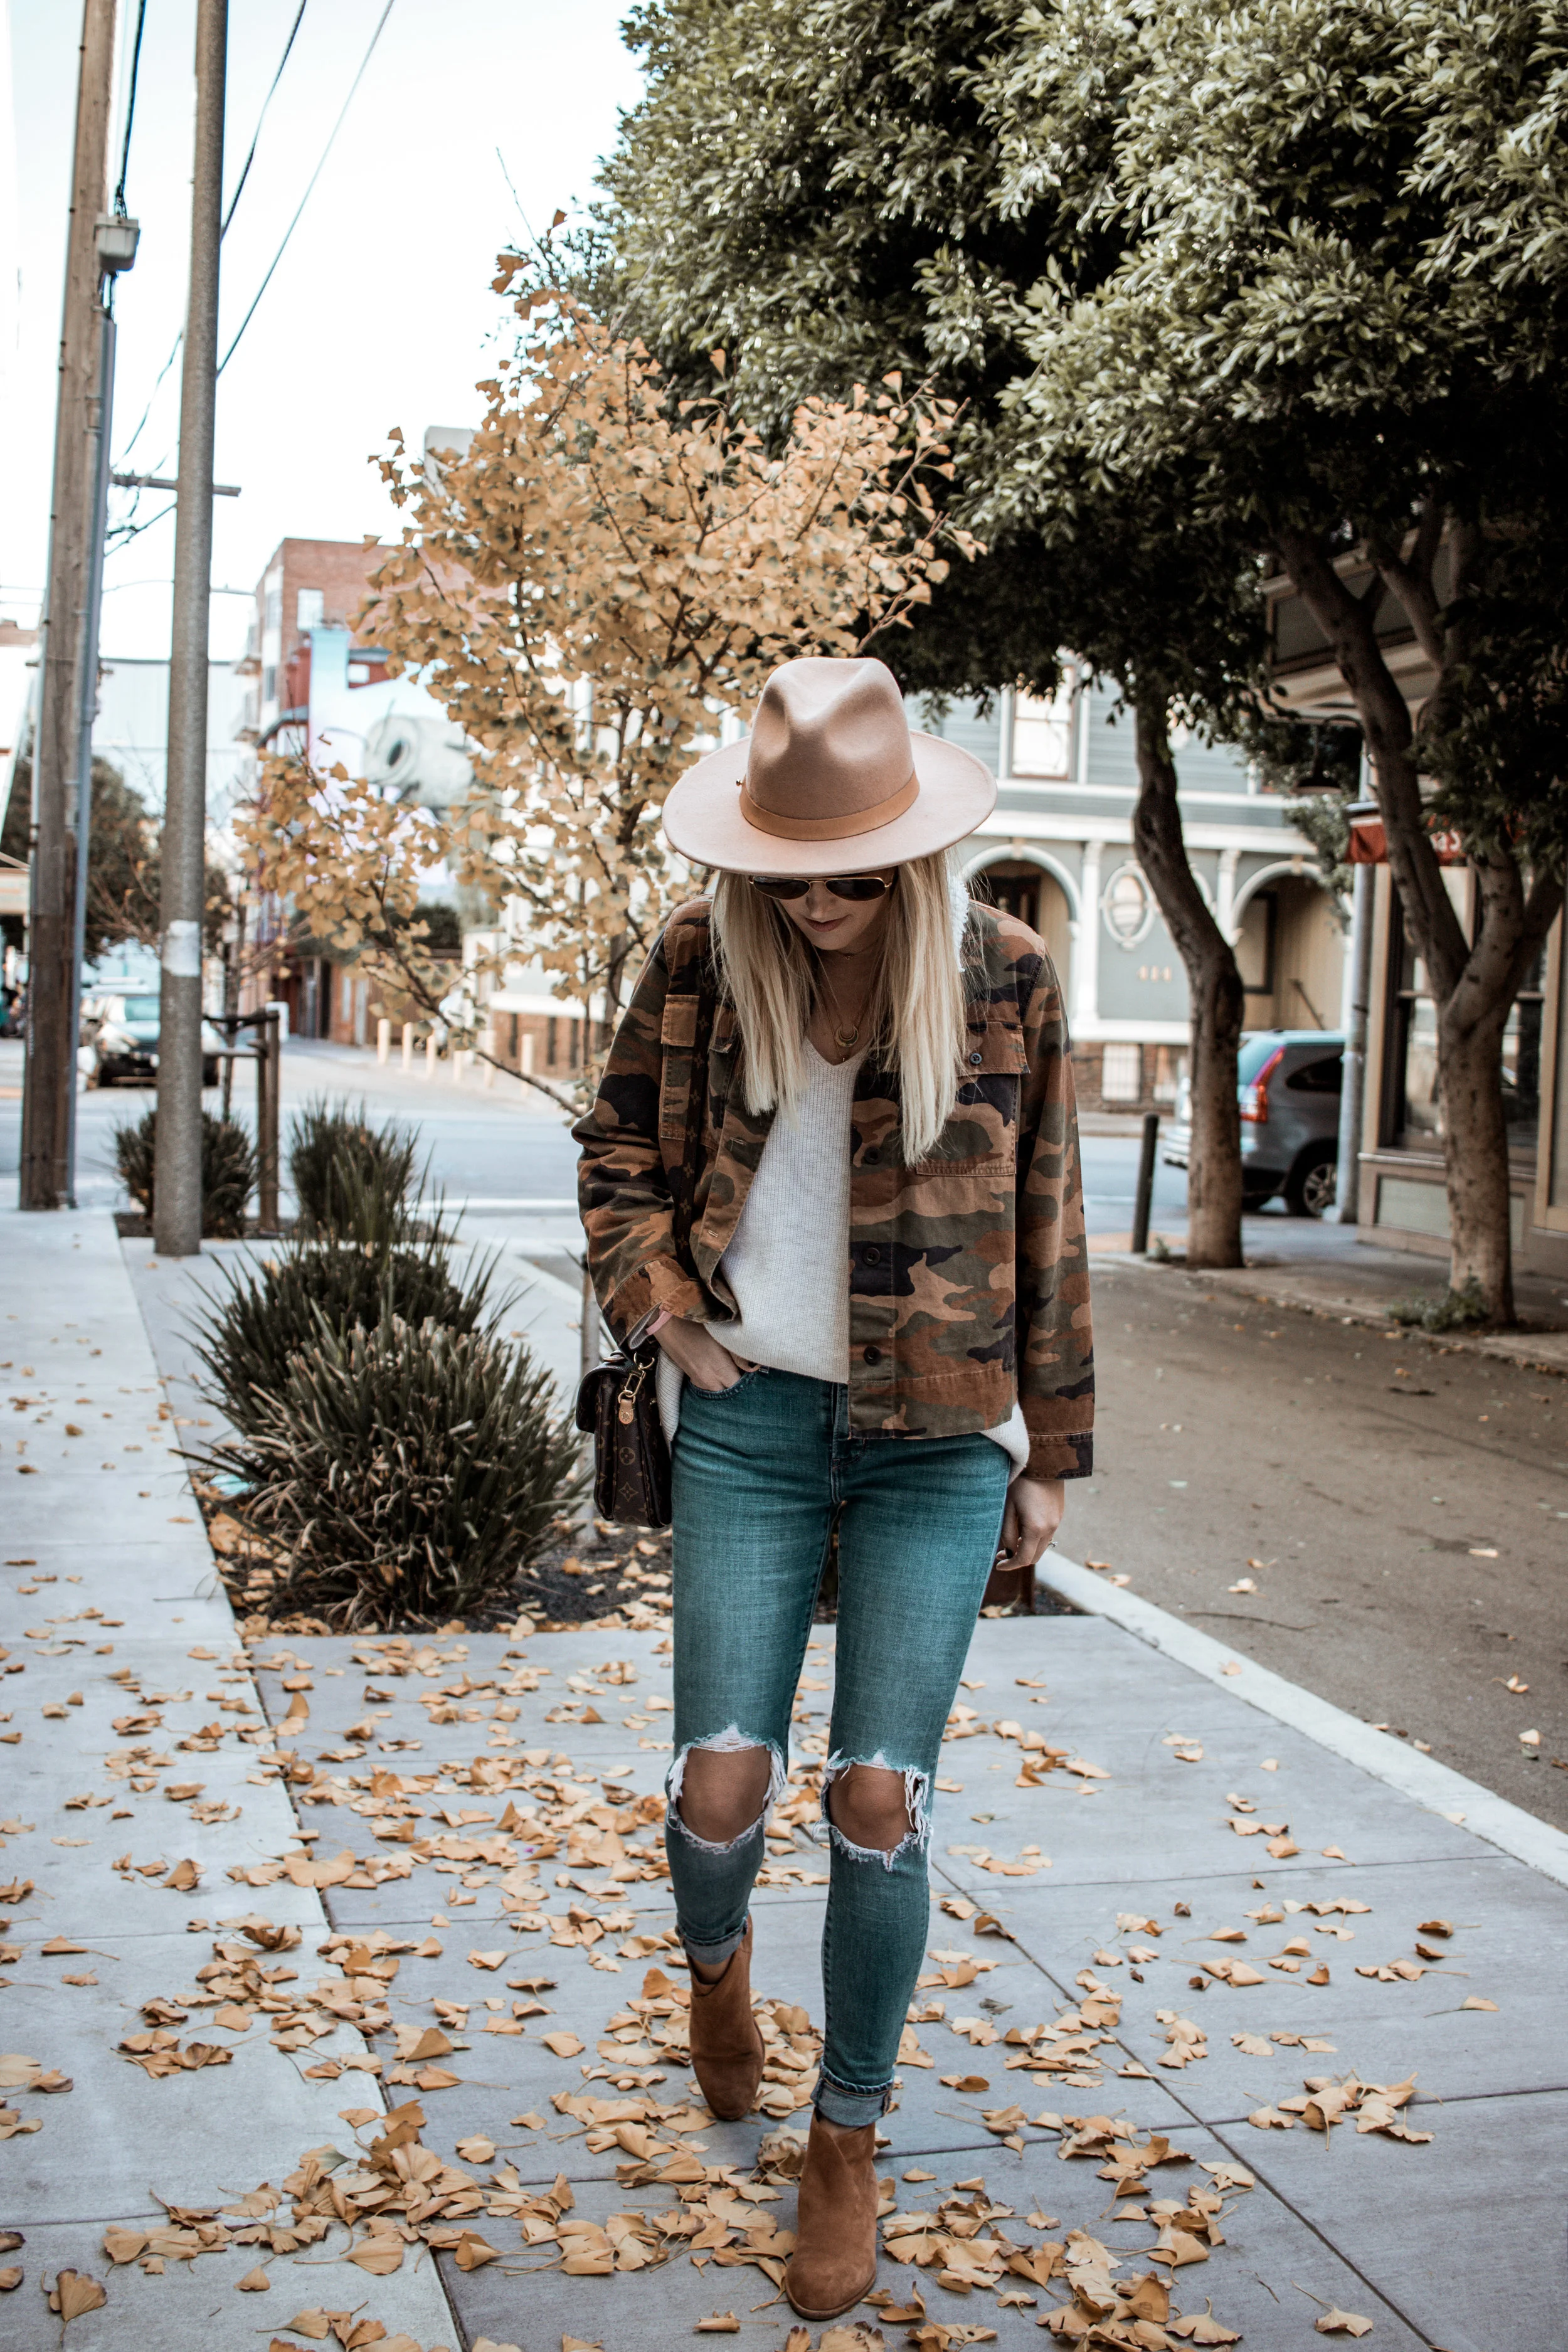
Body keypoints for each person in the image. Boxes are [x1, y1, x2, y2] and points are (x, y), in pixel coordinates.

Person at [575, 655, 1093, 2321]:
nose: (818, 902)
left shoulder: (1006, 975)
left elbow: (1050, 1213)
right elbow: (613, 1159)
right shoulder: (696, 960)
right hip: (752, 1423)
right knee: (722, 1785)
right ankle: (716, 1969)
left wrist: (1052, 1450)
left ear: (910, 856)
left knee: (878, 1798)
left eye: (852, 876)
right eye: (789, 875)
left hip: (939, 1436)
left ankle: (845, 2141)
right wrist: (667, 1314)